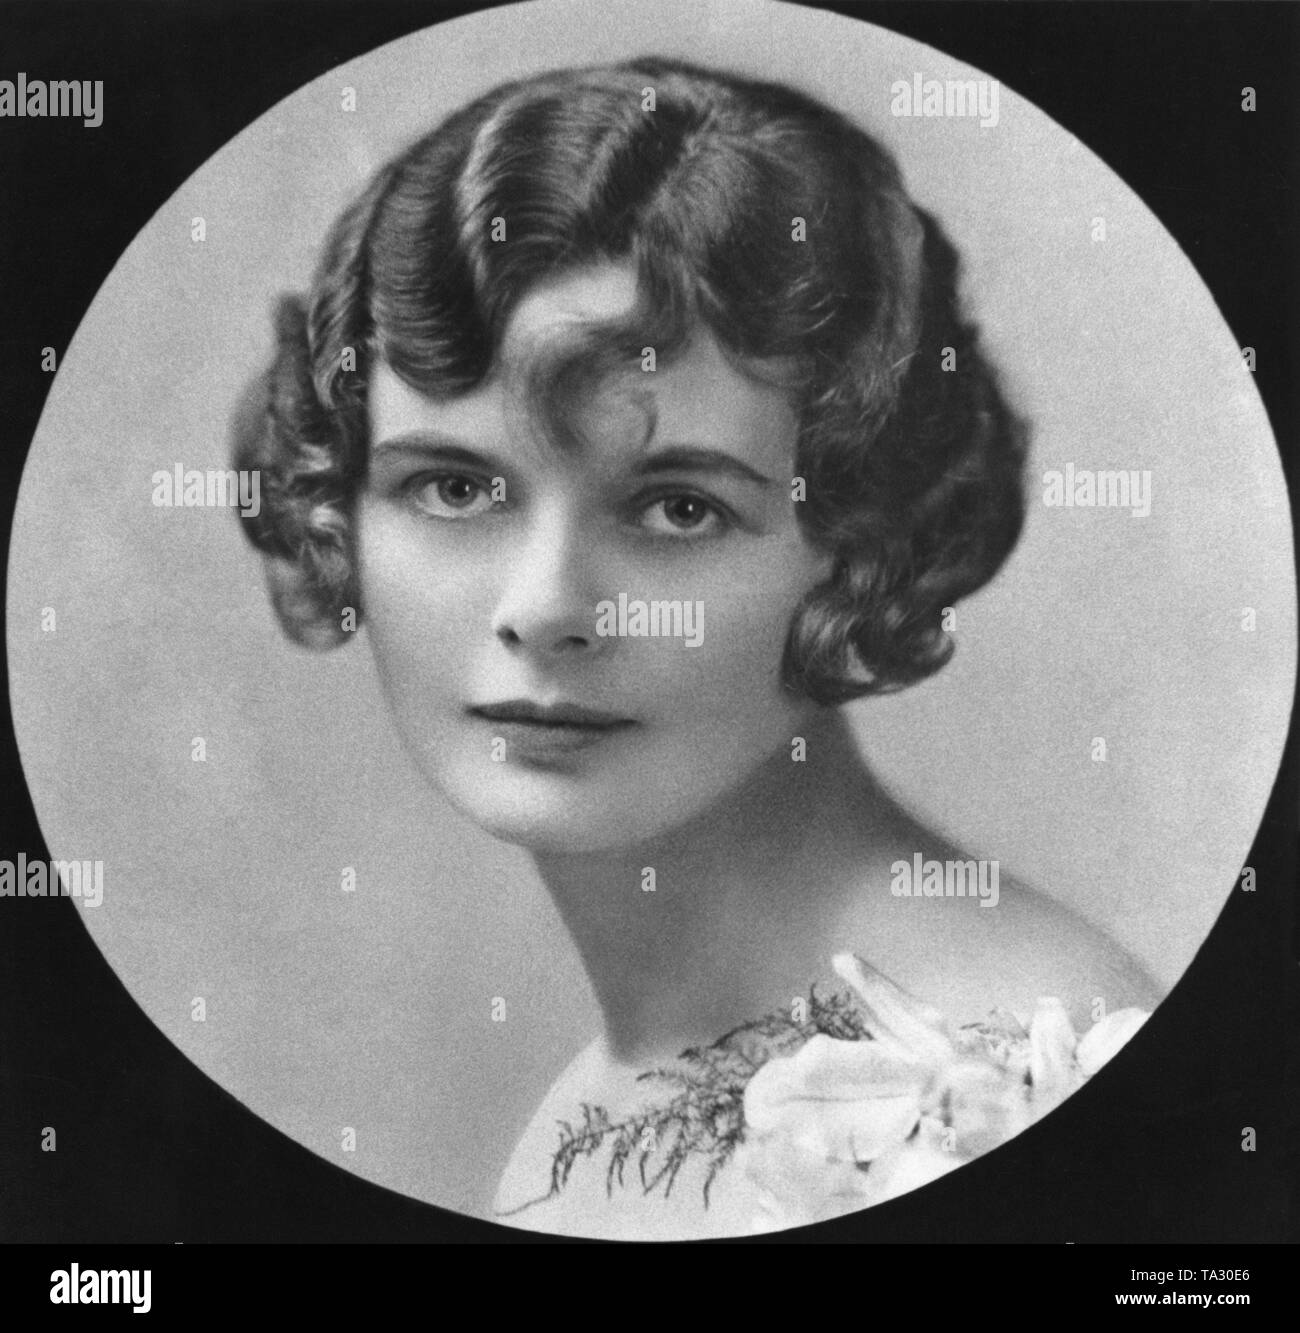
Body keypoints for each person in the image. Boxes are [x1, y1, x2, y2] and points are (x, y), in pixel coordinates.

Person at [232, 56, 1161, 1239]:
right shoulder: (603, 1104)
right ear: (340, 513)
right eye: (456, 487)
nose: (547, 608)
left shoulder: (1003, 1089)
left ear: (858, 542)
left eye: (677, 507)